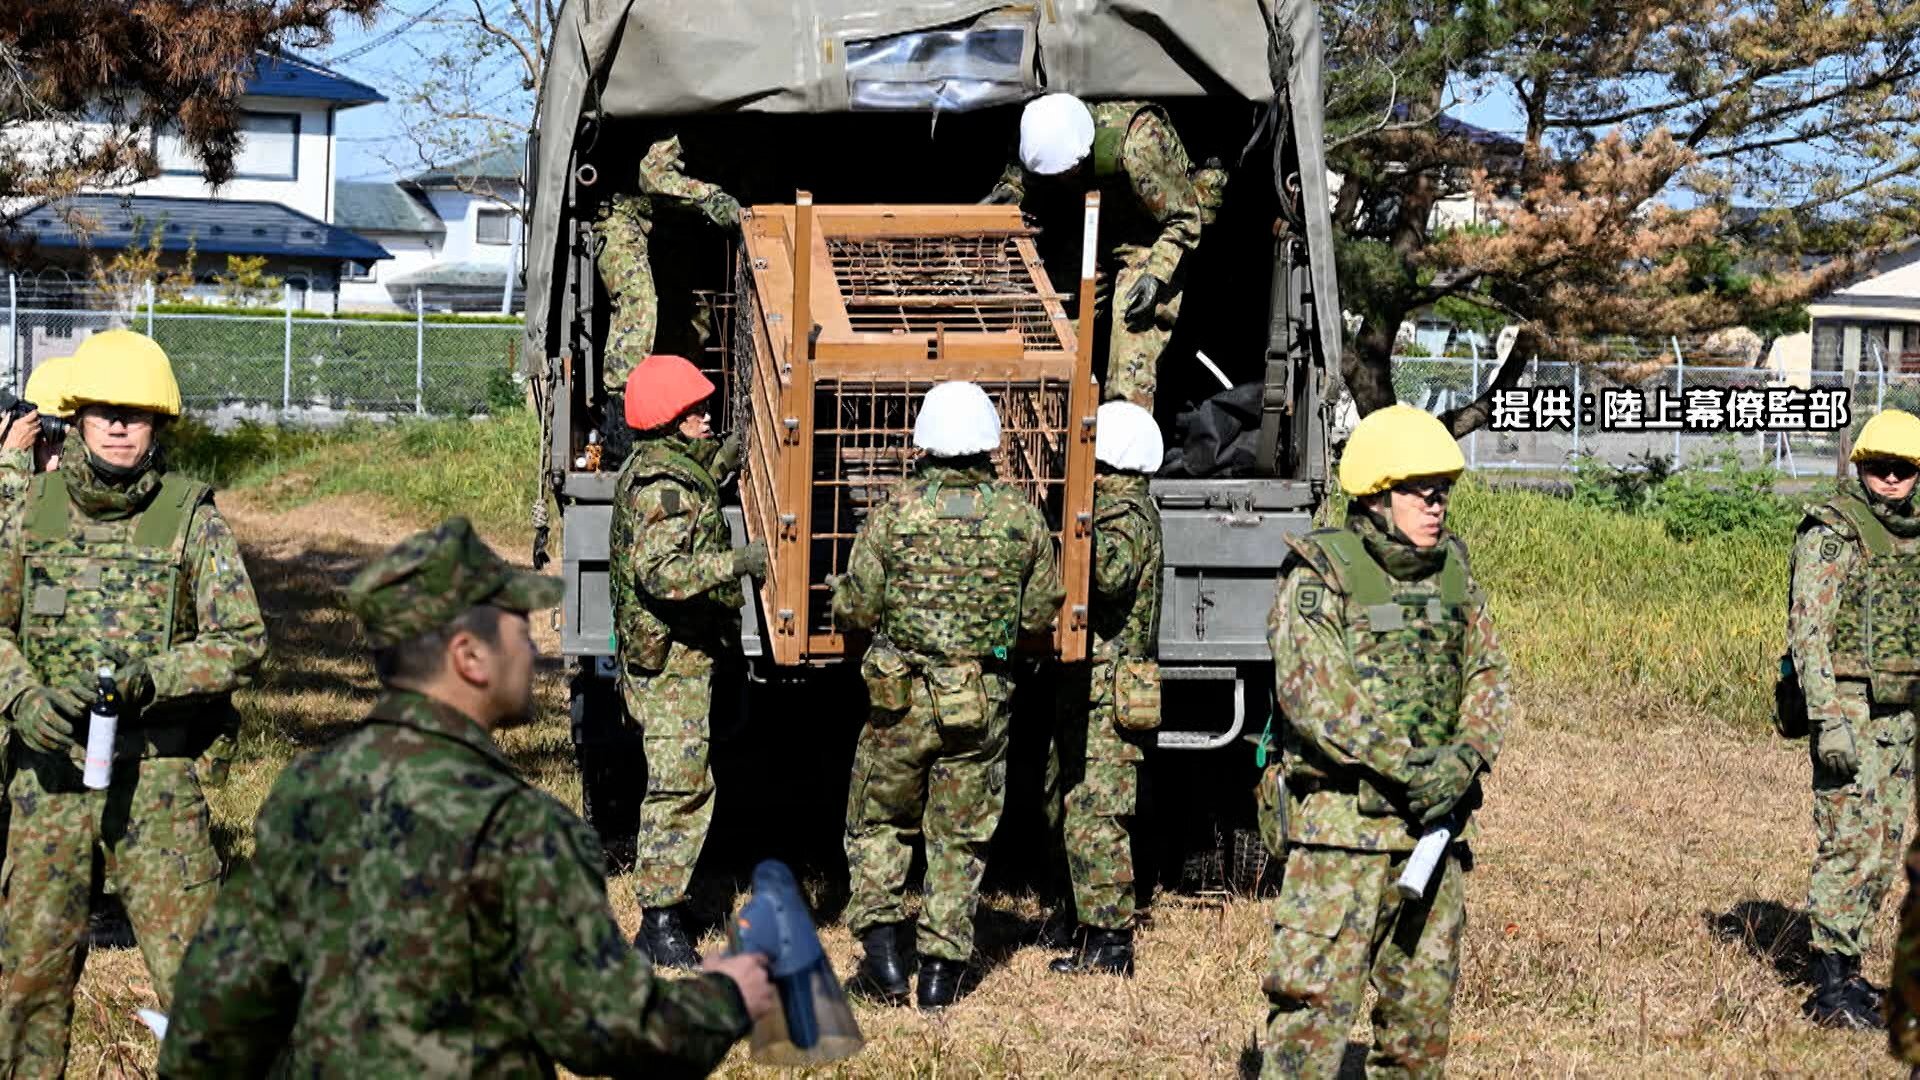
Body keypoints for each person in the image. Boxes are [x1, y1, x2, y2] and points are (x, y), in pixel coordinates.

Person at [156, 517, 774, 1076]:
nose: (533, 651)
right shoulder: (523, 829)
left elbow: (211, 1026)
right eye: (517, 631)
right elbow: (611, 1031)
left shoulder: (304, 795)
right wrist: (727, 994)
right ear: (469, 656)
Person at [0, 330, 268, 1078]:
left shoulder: (193, 520)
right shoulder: (28, 511)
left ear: (160, 426)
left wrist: (156, 677)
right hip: (48, 786)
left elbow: (243, 640)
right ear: (79, 418)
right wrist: (22, 696)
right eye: (106, 411)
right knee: (29, 985)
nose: (120, 426)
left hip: (156, 782)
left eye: (137, 413)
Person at [1260, 403, 1511, 1077]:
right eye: (1422, 492)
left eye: (1445, 492)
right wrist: (1414, 767)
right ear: (1376, 495)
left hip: (1432, 834)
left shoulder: (1454, 572)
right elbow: (1317, 699)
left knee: (1421, 1025)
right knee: (1310, 1021)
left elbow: (1488, 673)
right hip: (1342, 839)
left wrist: (1466, 756)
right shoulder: (1320, 575)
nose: (1438, 505)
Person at [834, 381, 1066, 1010]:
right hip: (980, 704)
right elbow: (1041, 613)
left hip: (899, 705)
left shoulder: (894, 514)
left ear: (926, 443)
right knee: (959, 839)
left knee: (879, 823)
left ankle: (883, 963)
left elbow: (856, 608)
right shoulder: (1019, 518)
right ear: (988, 442)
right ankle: (939, 977)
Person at [609, 354, 765, 969]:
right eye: (695, 411)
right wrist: (736, 563)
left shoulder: (664, 468)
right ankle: (658, 923)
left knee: (688, 783)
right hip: (669, 665)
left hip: (675, 660)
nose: (705, 416)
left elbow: (697, 485)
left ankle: (667, 906)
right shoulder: (663, 489)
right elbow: (661, 572)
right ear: (670, 421)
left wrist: (730, 453)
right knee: (679, 788)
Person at [1793, 408, 1920, 1031]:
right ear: (1860, 467)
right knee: (1852, 838)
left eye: (1903, 470)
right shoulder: (1834, 530)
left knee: (1888, 840)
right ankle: (1829, 984)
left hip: (1901, 712)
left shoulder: (1915, 534)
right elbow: (1809, 634)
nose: (1891, 481)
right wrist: (1828, 721)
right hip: (1848, 705)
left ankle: (1850, 967)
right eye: (1879, 469)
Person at [986, 92, 1223, 410]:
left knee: (1130, 358)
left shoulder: (1139, 144)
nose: (1059, 181)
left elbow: (1184, 217)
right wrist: (1009, 195)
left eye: (1063, 174)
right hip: (1088, 232)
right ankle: (1053, 430)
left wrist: (1156, 274)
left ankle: (1121, 448)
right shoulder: (1041, 131)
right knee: (1052, 330)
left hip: (1150, 241)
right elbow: (1023, 176)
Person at [1043, 400, 1164, 977]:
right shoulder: (1120, 507)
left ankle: (1111, 942)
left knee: (1097, 814)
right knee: (1067, 801)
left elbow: (1109, 577)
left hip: (1110, 691)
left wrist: (1073, 534)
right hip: (1092, 687)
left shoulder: (1125, 515)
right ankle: (1078, 915)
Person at [595, 137, 742, 460]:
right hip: (625, 214)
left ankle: (684, 422)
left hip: (675, 229)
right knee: (640, 308)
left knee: (694, 320)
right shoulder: (678, 129)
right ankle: (622, 433)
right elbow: (654, 176)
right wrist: (713, 199)